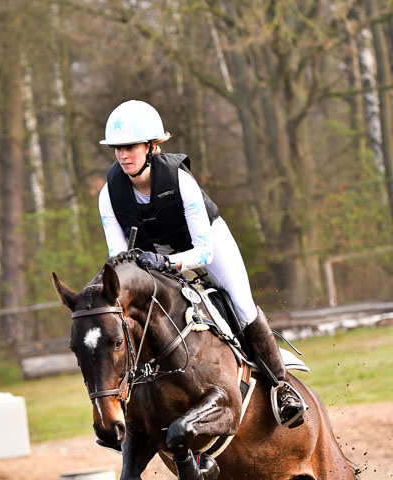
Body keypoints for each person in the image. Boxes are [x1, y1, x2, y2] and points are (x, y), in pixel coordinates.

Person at [98, 99, 307, 428]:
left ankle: (281, 388)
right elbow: (118, 257)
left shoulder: (180, 182)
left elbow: (204, 252)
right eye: (117, 149)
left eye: (130, 147)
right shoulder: (109, 193)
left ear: (152, 147)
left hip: (205, 244)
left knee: (241, 303)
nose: (123, 155)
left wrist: (167, 262)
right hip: (156, 258)